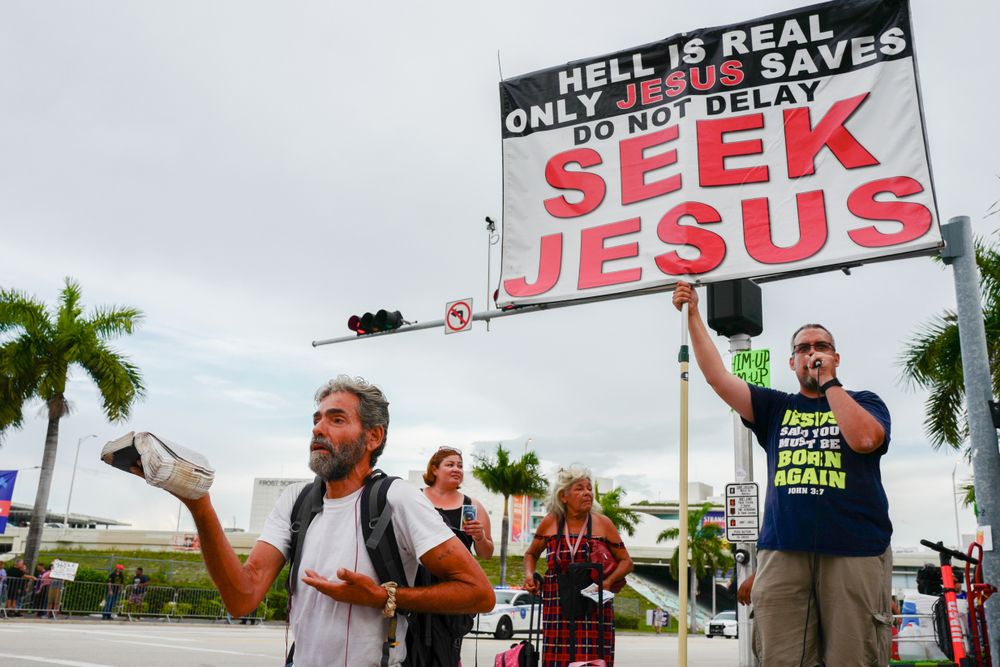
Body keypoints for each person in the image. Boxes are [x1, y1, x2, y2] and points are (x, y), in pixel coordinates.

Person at [129, 375, 493, 667]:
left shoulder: (397, 499)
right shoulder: (296, 501)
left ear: (373, 436)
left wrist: (383, 596)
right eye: (317, 419)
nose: (319, 429)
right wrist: (199, 504)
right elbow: (242, 597)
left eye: (336, 419)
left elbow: (479, 593)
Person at [673, 281, 893, 667]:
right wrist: (692, 314)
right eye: (803, 349)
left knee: (853, 656)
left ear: (836, 358)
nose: (812, 354)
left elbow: (863, 439)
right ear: (791, 363)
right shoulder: (774, 407)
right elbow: (717, 378)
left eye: (821, 347)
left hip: (854, 550)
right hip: (783, 551)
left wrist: (829, 385)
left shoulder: (865, 402)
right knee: (781, 656)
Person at [523, 465, 633, 667]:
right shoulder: (550, 523)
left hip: (594, 605)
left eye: (589, 488)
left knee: (594, 660)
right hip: (557, 605)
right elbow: (531, 554)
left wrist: (608, 582)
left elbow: (627, 562)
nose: (587, 493)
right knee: (557, 660)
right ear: (563, 496)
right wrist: (530, 575)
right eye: (580, 488)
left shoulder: (603, 523)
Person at [422, 446, 494, 558]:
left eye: (460, 466)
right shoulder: (418, 498)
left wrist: (480, 537)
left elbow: (486, 555)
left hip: (457, 573)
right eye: (450, 465)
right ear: (434, 469)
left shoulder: (471, 505)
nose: (457, 469)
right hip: (419, 573)